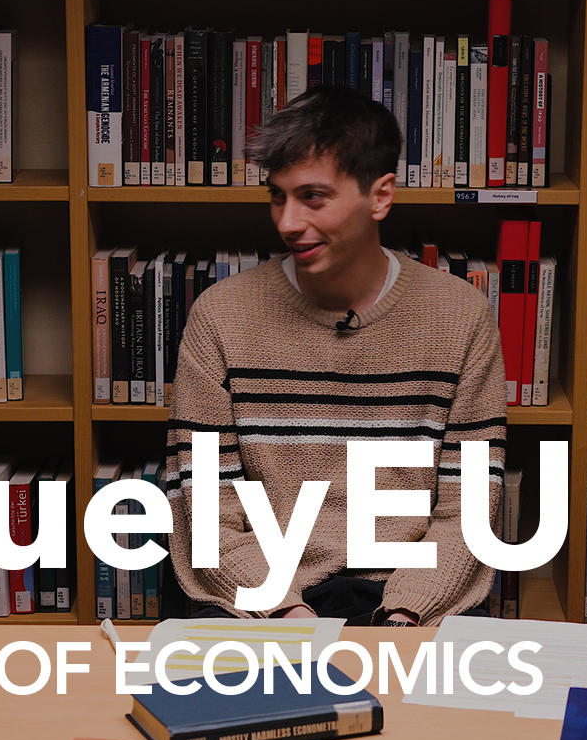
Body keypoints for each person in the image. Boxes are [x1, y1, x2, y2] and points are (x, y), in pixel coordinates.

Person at [162, 86, 507, 627]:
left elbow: (468, 506)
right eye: (278, 197)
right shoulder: (221, 315)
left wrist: (405, 615)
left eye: (313, 197)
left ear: (381, 196)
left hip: (412, 599)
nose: (287, 222)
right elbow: (206, 506)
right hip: (265, 597)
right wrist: (288, 611)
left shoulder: (459, 314)